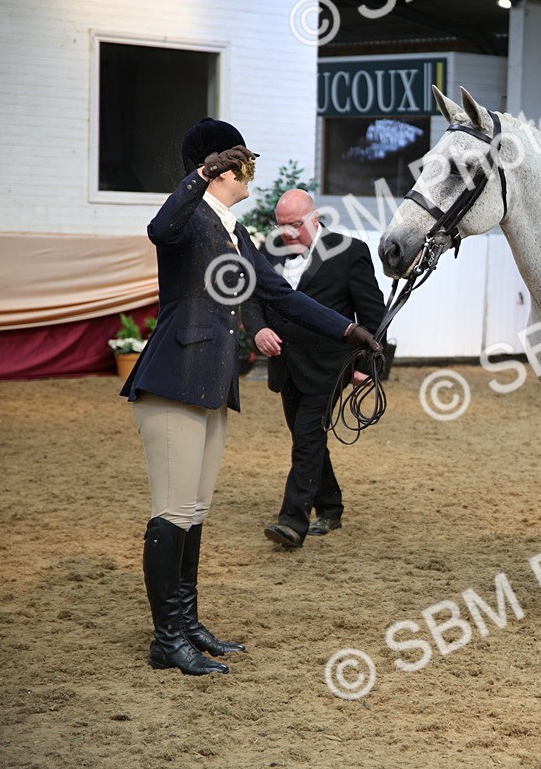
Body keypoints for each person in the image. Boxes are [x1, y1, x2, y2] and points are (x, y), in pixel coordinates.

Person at [122, 118, 381, 676]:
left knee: (193, 512)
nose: (251, 175)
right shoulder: (188, 217)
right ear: (222, 168)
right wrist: (200, 175)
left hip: (211, 383)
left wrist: (351, 332)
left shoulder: (235, 232)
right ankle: (167, 638)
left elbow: (282, 296)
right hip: (171, 378)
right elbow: (158, 228)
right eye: (242, 165)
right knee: (171, 512)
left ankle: (186, 624)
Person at [244, 190, 385, 549]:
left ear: (315, 217)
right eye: (281, 225)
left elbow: (372, 315)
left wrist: (365, 366)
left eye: (295, 225)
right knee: (307, 438)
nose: (288, 233)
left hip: (330, 366)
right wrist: (258, 329)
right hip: (285, 365)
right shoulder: (269, 249)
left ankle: (292, 522)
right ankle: (331, 506)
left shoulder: (350, 252)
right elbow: (253, 296)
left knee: (307, 436)